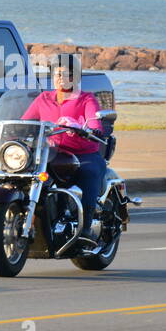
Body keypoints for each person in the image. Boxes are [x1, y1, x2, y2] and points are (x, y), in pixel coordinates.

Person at [21, 53, 107, 248]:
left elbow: (94, 121)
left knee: (89, 172)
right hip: (50, 154)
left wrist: (86, 127)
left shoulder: (86, 99)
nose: (60, 78)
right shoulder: (44, 98)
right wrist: (12, 133)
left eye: (66, 74)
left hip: (83, 154)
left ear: (75, 77)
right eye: (57, 74)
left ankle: (85, 229)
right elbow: (25, 122)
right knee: (27, 175)